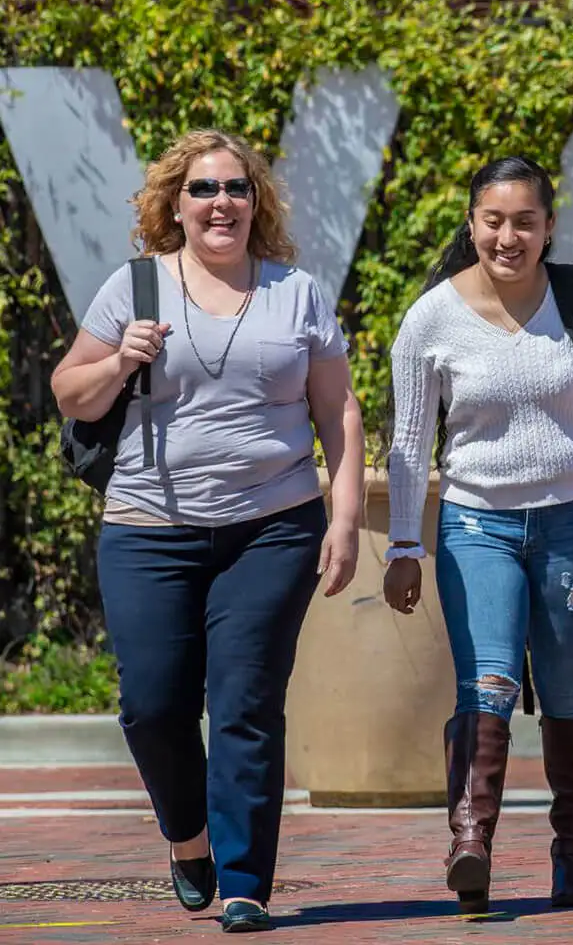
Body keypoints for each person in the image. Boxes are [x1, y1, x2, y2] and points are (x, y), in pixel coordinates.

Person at [50, 129, 364, 933]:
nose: (220, 202)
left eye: (236, 188)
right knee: (152, 707)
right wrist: (121, 360)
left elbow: (338, 408)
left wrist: (347, 515)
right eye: (202, 190)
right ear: (174, 206)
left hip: (273, 525)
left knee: (247, 703)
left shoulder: (295, 293)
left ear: (256, 203)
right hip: (148, 529)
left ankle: (246, 882)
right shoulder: (135, 289)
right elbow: (71, 395)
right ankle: (188, 841)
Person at [382, 156, 573, 914]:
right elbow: (410, 444)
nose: (507, 237)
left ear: (548, 226)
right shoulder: (431, 318)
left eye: (524, 222)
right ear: (471, 221)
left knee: (572, 685)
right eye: (493, 220)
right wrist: (405, 547)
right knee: (487, 681)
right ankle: (470, 840)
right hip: (477, 521)